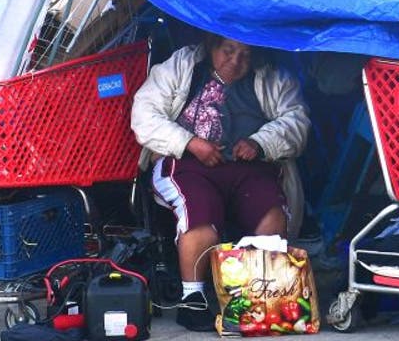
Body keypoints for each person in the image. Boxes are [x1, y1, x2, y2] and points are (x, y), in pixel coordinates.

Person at [131, 33, 310, 331]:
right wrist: (189, 142)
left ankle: (262, 300)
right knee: (199, 211)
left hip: (249, 166)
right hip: (187, 164)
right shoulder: (181, 66)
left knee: (270, 212)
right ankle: (193, 299)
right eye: (228, 50)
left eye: (245, 54)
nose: (236, 60)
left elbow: (297, 121)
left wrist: (259, 142)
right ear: (211, 46)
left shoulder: (273, 77)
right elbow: (144, 115)